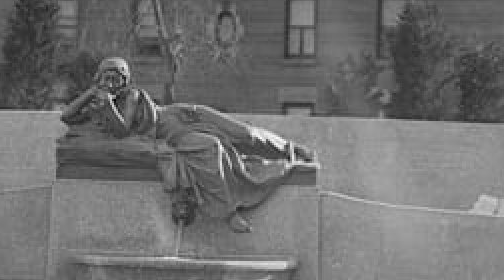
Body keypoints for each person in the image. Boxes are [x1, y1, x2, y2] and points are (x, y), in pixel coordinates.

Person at [60, 57, 314, 232]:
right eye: (107, 78)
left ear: (125, 82)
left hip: (174, 117)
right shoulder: (98, 103)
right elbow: (67, 117)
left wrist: (105, 101)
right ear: (99, 78)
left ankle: (289, 148)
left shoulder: (131, 96)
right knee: (211, 147)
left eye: (117, 79)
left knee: (243, 133)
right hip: (171, 136)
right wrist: (93, 94)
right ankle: (228, 212)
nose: (112, 83)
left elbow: (123, 126)